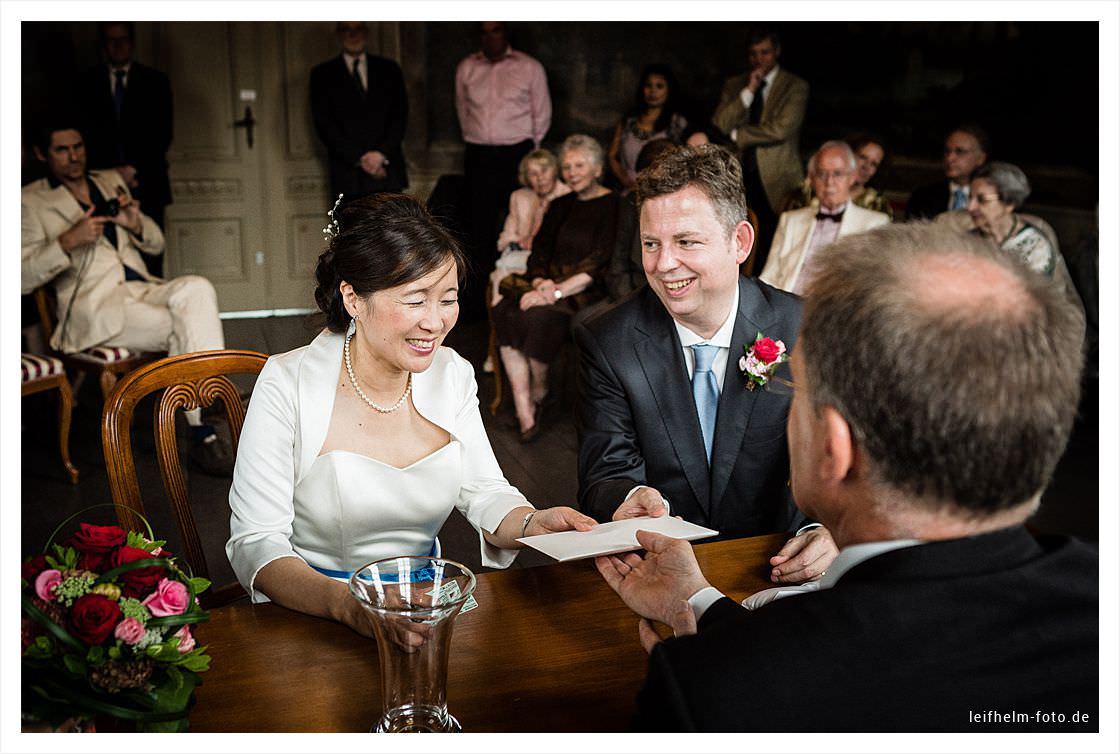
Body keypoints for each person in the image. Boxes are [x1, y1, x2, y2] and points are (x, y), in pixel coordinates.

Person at [596, 223, 1096, 732]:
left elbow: (814, 668)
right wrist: (699, 601)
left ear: (836, 448)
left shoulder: (710, 692)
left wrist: (712, 667)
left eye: (799, 393)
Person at [226, 193, 594, 637]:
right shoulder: (287, 383)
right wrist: (346, 607)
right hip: (315, 609)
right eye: (416, 299)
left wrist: (534, 523)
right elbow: (257, 543)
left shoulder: (452, 374)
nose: (436, 323)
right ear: (353, 299)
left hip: (426, 605)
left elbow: (485, 493)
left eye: (448, 299)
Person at [576, 144, 837, 584]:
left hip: (782, 565)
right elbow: (605, 471)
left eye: (686, 242)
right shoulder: (607, 341)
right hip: (662, 570)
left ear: (740, 241)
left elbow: (839, 455)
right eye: (650, 244)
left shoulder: (804, 327)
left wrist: (827, 528)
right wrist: (631, 495)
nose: (662, 265)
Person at [21, 120, 231, 475]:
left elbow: (155, 243)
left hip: (142, 287)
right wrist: (67, 241)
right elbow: (21, 277)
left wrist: (135, 223)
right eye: (62, 149)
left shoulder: (107, 180)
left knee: (197, 287)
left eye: (78, 146)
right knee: (182, 324)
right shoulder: (29, 201)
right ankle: (202, 427)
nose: (74, 156)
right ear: (42, 154)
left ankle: (203, 402)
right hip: (96, 307)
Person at [490, 135, 618, 443]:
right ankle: (525, 408)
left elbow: (599, 260)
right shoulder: (561, 204)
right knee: (504, 310)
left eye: (579, 165)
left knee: (539, 318)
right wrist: (538, 282)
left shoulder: (614, 204)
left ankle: (541, 390)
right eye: (567, 167)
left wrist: (556, 292)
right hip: (546, 285)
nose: (571, 172)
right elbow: (540, 252)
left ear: (598, 169)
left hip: (583, 291)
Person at [455, 21, 551, 318]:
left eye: (495, 30)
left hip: (517, 154)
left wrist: (528, 157)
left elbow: (542, 114)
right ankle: (476, 308)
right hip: (480, 155)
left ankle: (519, 299)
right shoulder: (466, 68)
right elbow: (463, 112)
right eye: (483, 31)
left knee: (522, 227)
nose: (489, 36)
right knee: (479, 230)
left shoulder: (529, 68)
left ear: (505, 33)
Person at [77, 21, 173, 275]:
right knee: (110, 251)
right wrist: (111, 173)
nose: (117, 46)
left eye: (122, 40)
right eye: (111, 40)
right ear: (103, 45)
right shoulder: (86, 84)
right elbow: (83, 133)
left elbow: (162, 133)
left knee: (151, 248)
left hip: (147, 180)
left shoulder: (155, 82)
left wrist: (133, 169)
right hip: (100, 180)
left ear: (132, 42)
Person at [711, 28, 808, 272]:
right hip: (739, 175)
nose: (758, 59)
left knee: (774, 244)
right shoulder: (736, 85)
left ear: (777, 52)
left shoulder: (794, 86)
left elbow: (780, 129)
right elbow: (720, 123)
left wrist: (738, 135)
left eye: (764, 52)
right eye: (753, 54)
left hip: (778, 178)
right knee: (736, 239)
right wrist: (749, 91)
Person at [760, 140, 890, 294]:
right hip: (785, 305)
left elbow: (872, 286)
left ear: (853, 177)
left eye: (838, 174)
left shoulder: (873, 224)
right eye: (822, 174)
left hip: (833, 310)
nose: (829, 182)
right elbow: (768, 277)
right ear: (812, 178)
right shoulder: (790, 220)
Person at [310, 22, 409, 203]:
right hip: (347, 175)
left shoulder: (389, 70)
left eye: (358, 29)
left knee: (392, 229)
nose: (353, 35)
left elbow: (400, 117)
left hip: (387, 172)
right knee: (351, 229)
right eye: (347, 30)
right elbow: (325, 125)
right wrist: (362, 160)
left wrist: (380, 155)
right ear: (339, 34)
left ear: (366, 33)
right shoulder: (322, 75)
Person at [488, 148, 572, 307]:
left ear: (554, 171)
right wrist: (521, 240)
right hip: (521, 256)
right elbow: (504, 239)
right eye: (533, 174)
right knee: (499, 275)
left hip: (550, 261)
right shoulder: (519, 197)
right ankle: (500, 328)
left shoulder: (569, 196)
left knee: (504, 269)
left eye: (544, 171)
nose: (540, 178)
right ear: (526, 178)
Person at [607, 138, 677, 301]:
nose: (647, 187)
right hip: (633, 291)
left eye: (655, 180)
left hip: (671, 293)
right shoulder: (632, 202)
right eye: (643, 179)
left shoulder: (686, 207)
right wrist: (628, 301)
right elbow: (618, 262)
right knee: (585, 322)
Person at [606, 64, 688, 193]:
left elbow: (685, 162)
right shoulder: (628, 121)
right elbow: (612, 156)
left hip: (665, 192)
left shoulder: (677, 123)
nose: (652, 91)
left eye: (659, 86)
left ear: (669, 90)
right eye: (648, 86)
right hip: (629, 191)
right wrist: (626, 181)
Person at [782, 132, 894, 219]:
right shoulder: (807, 193)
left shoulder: (878, 204)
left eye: (874, 164)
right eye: (863, 157)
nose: (866, 166)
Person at [906, 124, 989, 220]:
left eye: (960, 152)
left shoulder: (991, 198)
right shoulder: (922, 197)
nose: (950, 158)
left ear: (980, 159)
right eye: (947, 151)